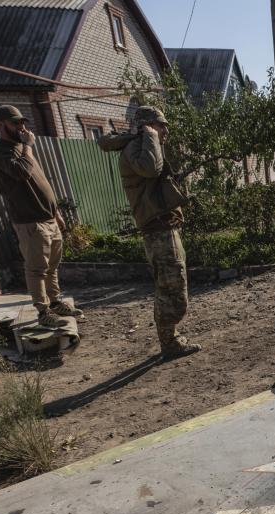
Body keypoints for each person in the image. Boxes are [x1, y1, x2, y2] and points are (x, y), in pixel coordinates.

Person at [99, 106, 200, 359]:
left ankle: (170, 339)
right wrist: (151, 136)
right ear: (147, 126)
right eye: (160, 125)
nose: (165, 130)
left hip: (164, 227)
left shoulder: (141, 146)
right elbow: (152, 169)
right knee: (172, 289)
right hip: (158, 230)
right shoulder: (138, 149)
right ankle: (170, 343)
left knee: (170, 285)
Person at [0, 105, 80, 328]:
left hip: (47, 217)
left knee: (52, 265)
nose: (21, 127)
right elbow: (21, 172)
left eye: (22, 122)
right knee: (37, 268)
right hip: (30, 221)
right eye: (15, 123)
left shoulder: (21, 146)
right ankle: (43, 311)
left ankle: (55, 301)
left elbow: (39, 181)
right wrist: (28, 148)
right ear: (0, 125)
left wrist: (55, 212)